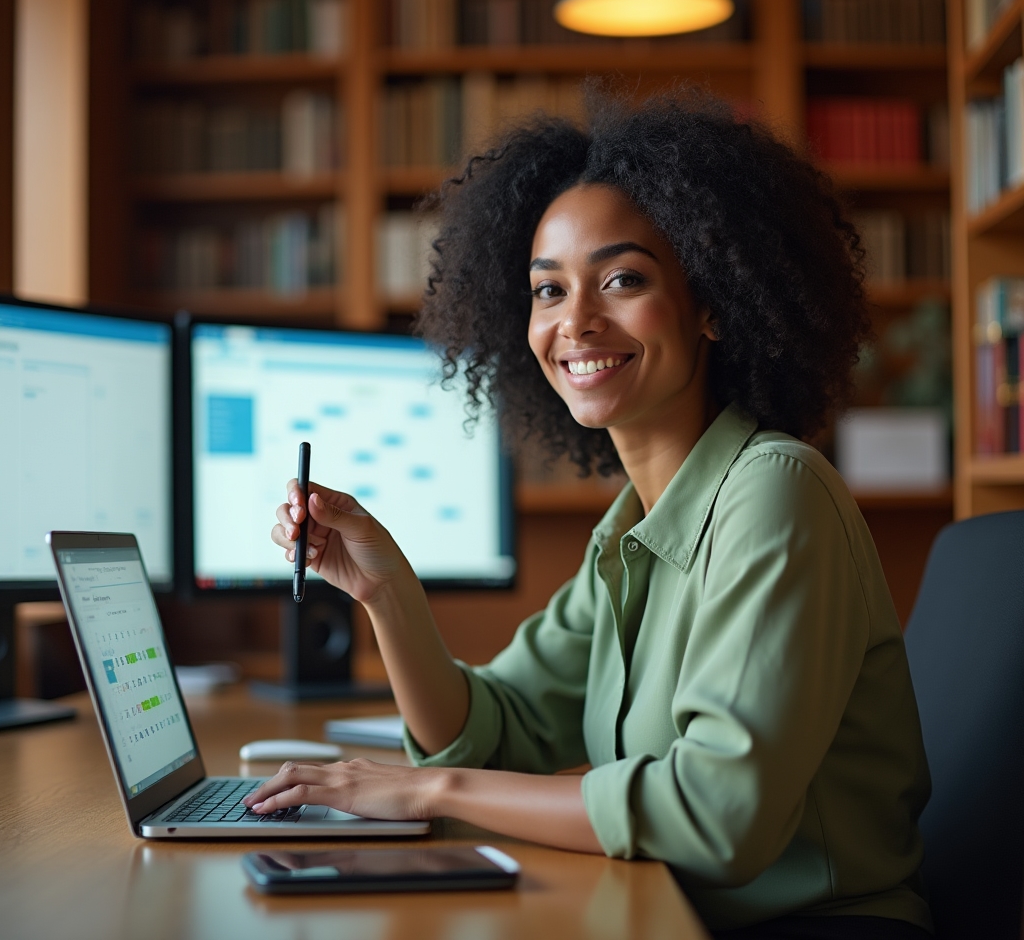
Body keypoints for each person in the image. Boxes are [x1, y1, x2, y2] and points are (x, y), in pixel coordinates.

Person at [245, 91, 933, 939]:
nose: (575, 321)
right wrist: (387, 592)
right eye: (547, 290)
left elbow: (718, 817)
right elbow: (492, 732)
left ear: (713, 300)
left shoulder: (775, 494)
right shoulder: (632, 528)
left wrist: (423, 789)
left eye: (623, 279)